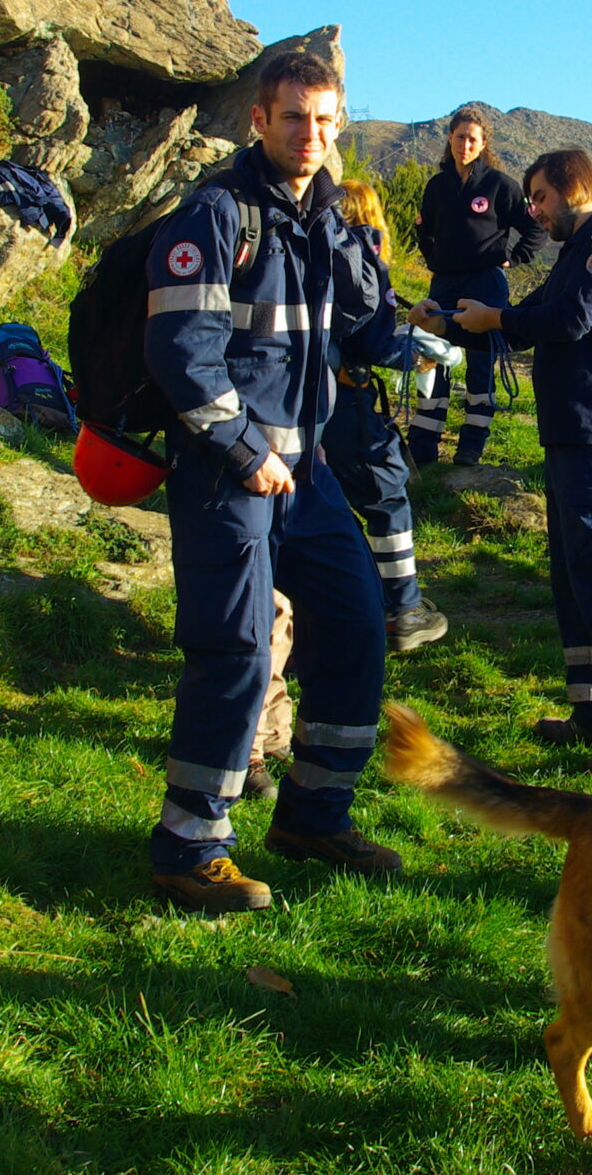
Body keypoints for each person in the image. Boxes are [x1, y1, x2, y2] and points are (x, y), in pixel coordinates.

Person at [142, 48, 395, 913]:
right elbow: (182, 351)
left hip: (310, 473)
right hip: (231, 471)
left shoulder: (325, 218)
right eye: (295, 118)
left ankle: (313, 815)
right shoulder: (216, 214)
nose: (311, 136)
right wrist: (247, 450)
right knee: (238, 651)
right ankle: (190, 843)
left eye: (326, 121)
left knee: (359, 625)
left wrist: (365, 260)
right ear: (260, 120)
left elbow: (367, 339)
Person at [415, 149, 592, 775]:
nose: (533, 210)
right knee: (574, 575)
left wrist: (498, 316)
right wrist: (448, 321)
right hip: (572, 436)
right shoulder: (575, 251)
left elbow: (568, 319)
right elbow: (521, 322)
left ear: (572, 188)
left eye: (539, 198)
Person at [332, 176, 450, 655]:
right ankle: (403, 609)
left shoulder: (309, 248)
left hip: (300, 401)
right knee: (385, 495)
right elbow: (371, 340)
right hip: (346, 403)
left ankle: (349, 603)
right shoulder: (364, 253)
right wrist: (410, 352)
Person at [409, 105, 545, 466]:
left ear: (483, 143)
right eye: (459, 137)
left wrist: (512, 259)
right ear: (450, 139)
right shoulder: (438, 186)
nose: (464, 144)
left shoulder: (500, 185)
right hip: (444, 282)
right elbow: (424, 229)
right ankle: (423, 442)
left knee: (480, 362)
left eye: (472, 139)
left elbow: (534, 229)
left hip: (485, 283)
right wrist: (434, 261)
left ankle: (471, 444)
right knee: (433, 356)